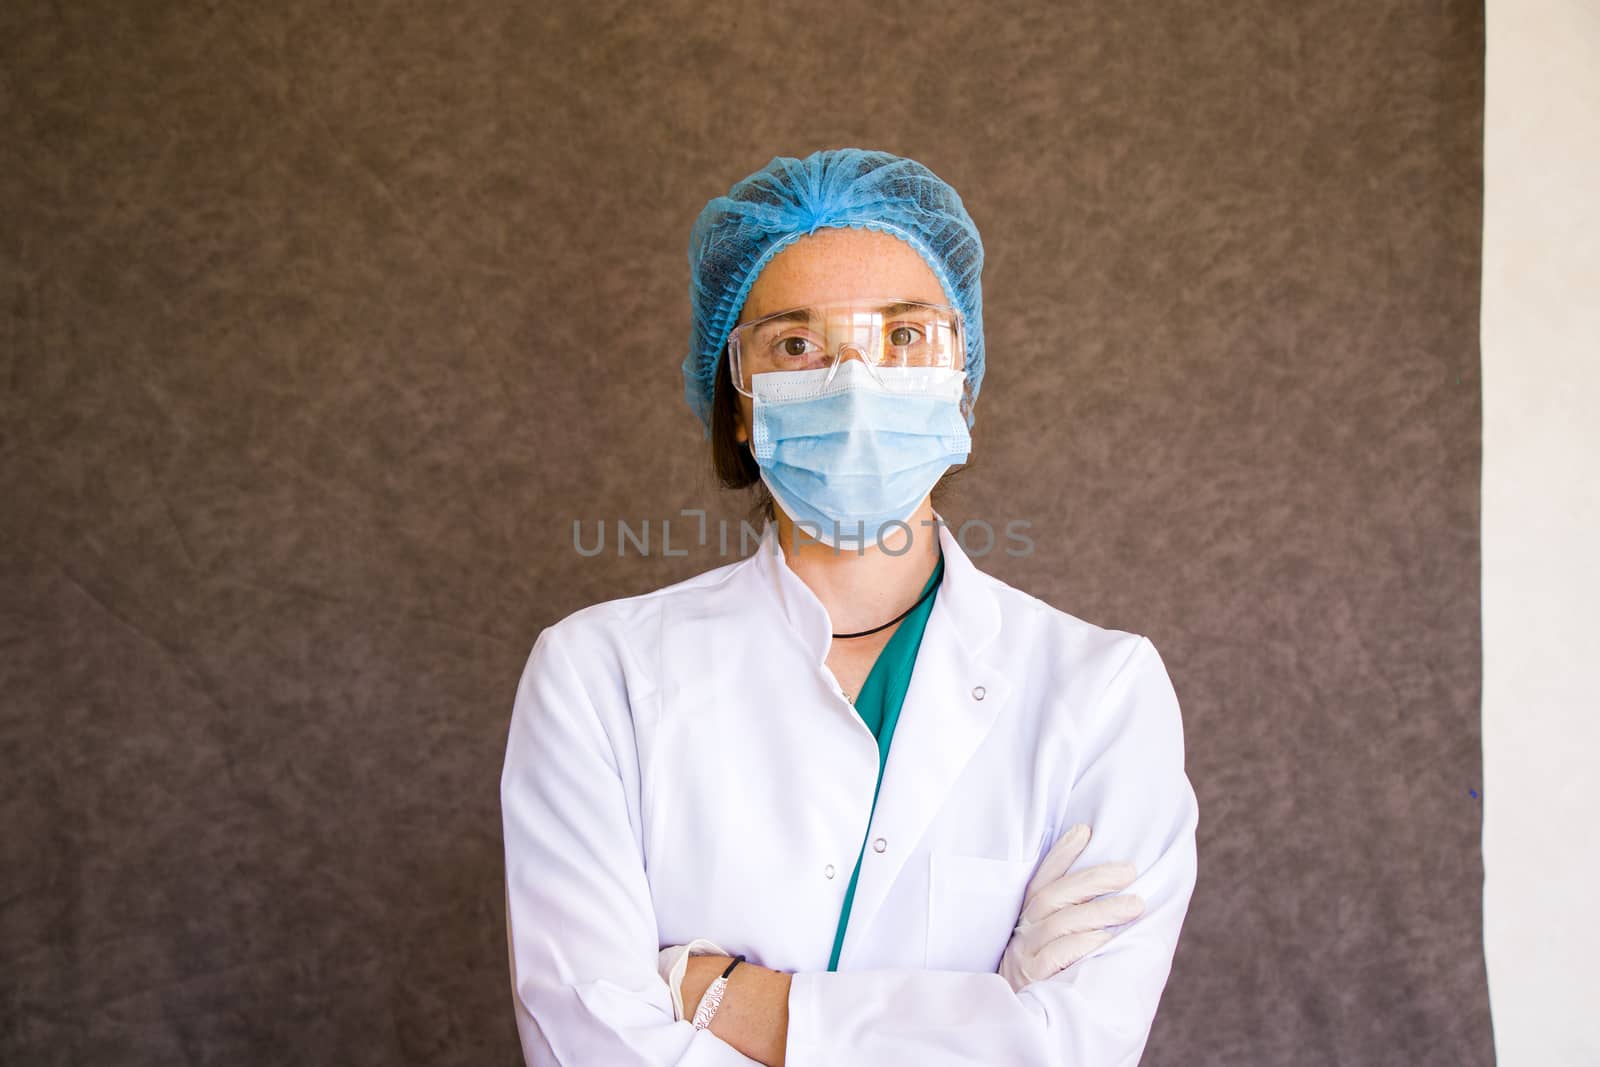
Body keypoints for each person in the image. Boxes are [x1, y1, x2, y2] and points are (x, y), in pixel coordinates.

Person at [500, 148, 1200, 1066]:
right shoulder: (596, 676)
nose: (857, 380)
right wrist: (990, 1011)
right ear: (740, 403)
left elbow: (1081, 1048)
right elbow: (585, 1041)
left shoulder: (1101, 693)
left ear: (962, 376)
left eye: (905, 336)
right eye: (798, 345)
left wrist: (721, 995)